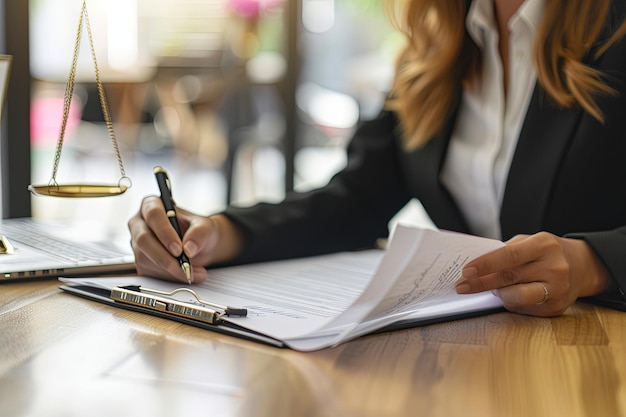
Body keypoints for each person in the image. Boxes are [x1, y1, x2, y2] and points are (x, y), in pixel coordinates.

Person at [129, 0, 626, 317]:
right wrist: (220, 233)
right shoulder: (434, 49)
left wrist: (593, 264)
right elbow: (356, 199)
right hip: (475, 352)